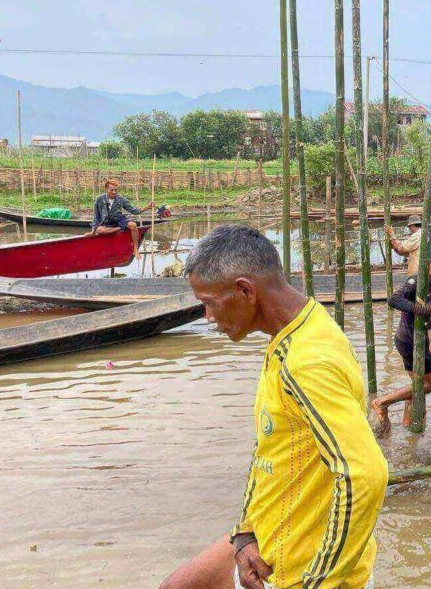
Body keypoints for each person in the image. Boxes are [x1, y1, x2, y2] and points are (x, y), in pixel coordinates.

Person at [160, 225, 387, 589]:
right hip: (265, 541)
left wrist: (320, 581)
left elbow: (364, 474)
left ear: (246, 290)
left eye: (209, 302)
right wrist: (244, 531)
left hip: (298, 569)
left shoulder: (306, 361)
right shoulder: (296, 330)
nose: (207, 316)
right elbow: (272, 449)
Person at [370, 238, 431, 435]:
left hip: (415, 339)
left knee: (417, 387)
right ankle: (382, 402)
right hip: (410, 340)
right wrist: (417, 308)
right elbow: (393, 299)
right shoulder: (418, 280)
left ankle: (408, 427)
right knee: (430, 384)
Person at [90, 178, 152, 257]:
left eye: (116, 190)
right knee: (99, 230)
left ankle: (135, 249)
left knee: (133, 225)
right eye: (111, 190)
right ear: (106, 189)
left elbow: (134, 211)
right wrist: (92, 231)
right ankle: (120, 228)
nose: (114, 192)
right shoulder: (99, 199)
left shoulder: (121, 199)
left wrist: (148, 207)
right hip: (106, 221)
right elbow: (96, 216)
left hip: (119, 219)